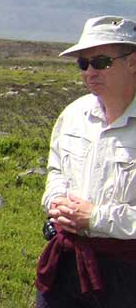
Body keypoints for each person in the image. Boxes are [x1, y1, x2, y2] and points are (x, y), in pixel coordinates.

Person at [36, 16, 136, 307]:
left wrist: (95, 218)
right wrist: (56, 201)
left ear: (133, 62)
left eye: (101, 61)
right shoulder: (73, 116)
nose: (89, 71)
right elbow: (56, 170)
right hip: (66, 261)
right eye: (83, 63)